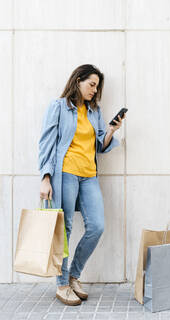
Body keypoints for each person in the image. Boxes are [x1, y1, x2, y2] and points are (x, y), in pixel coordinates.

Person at [38, 64, 125, 306]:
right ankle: (62, 284)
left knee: (97, 226)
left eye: (97, 87)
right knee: (63, 230)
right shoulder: (59, 107)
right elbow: (46, 142)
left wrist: (110, 130)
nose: (94, 91)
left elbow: (99, 144)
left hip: (89, 175)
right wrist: (45, 177)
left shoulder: (94, 110)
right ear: (78, 80)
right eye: (92, 85)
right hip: (65, 173)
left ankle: (74, 274)